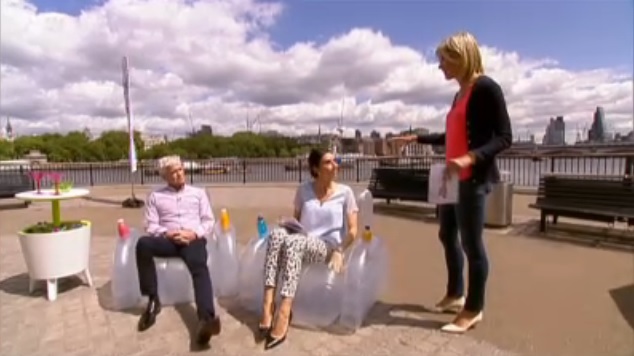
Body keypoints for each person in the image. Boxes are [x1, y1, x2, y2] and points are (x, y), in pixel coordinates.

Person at [390, 31, 512, 333]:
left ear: (462, 57)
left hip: (472, 179)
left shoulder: (486, 88)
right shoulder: (459, 93)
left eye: (444, 60)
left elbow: (505, 137)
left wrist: (472, 157)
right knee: (447, 234)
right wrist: (416, 138)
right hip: (451, 179)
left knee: (472, 244)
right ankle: (456, 294)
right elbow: (451, 136)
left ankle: (474, 308)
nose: (441, 67)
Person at [259, 148, 359, 350]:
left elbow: (353, 230)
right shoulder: (303, 190)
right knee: (277, 235)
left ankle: (285, 310)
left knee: (294, 242)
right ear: (316, 168)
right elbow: (296, 220)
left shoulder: (345, 193)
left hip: (327, 246)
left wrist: (340, 250)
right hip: (302, 238)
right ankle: (268, 304)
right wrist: (286, 224)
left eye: (335, 161)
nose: (335, 165)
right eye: (329, 162)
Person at [135, 155, 221, 346]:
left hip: (192, 239)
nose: (178, 174)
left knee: (199, 266)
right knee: (143, 245)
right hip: (169, 240)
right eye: (173, 172)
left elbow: (208, 221)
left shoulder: (199, 193)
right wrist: (169, 233)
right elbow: (150, 225)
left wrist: (193, 234)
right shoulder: (155, 196)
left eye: (180, 170)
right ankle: (152, 300)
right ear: (165, 176)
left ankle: (206, 319)